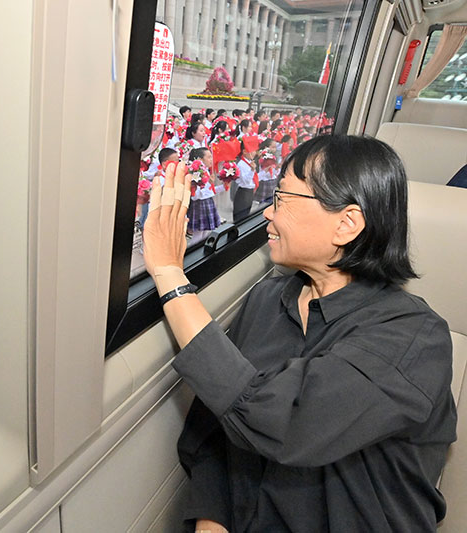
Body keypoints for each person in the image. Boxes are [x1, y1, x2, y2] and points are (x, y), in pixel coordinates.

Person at [142, 135, 456, 533]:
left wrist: (170, 275)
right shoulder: (267, 300)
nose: (268, 214)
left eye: (282, 198)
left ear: (346, 224)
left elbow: (287, 422)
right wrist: (212, 520)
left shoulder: (414, 337)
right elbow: (218, 429)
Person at [186, 148, 220, 235]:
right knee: (198, 235)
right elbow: (195, 196)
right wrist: (206, 184)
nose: (211, 160)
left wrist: (223, 186)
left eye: (211, 157)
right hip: (200, 204)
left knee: (206, 234)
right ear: (200, 160)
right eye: (209, 157)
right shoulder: (196, 173)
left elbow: (210, 192)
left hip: (207, 202)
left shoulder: (206, 171)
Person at [233, 142, 257, 223]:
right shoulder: (242, 164)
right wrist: (252, 170)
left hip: (249, 193)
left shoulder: (249, 162)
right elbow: (246, 181)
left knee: (246, 216)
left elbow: (254, 179)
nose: (254, 153)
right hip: (243, 193)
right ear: (244, 151)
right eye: (252, 150)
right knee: (241, 218)